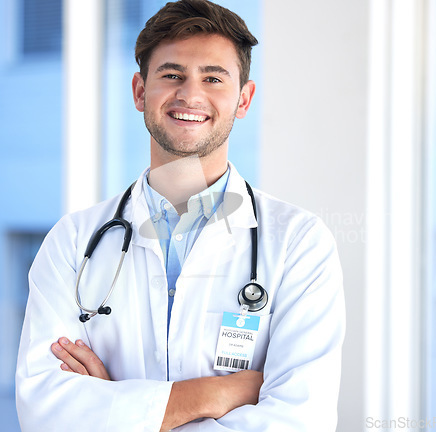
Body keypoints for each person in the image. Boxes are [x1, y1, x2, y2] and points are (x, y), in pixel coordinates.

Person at [15, 0, 345, 430]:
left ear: (243, 99)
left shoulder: (299, 242)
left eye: (213, 78)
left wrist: (116, 409)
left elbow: (301, 420)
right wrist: (214, 394)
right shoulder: (73, 240)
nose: (190, 95)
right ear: (139, 91)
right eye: (172, 75)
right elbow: (43, 409)